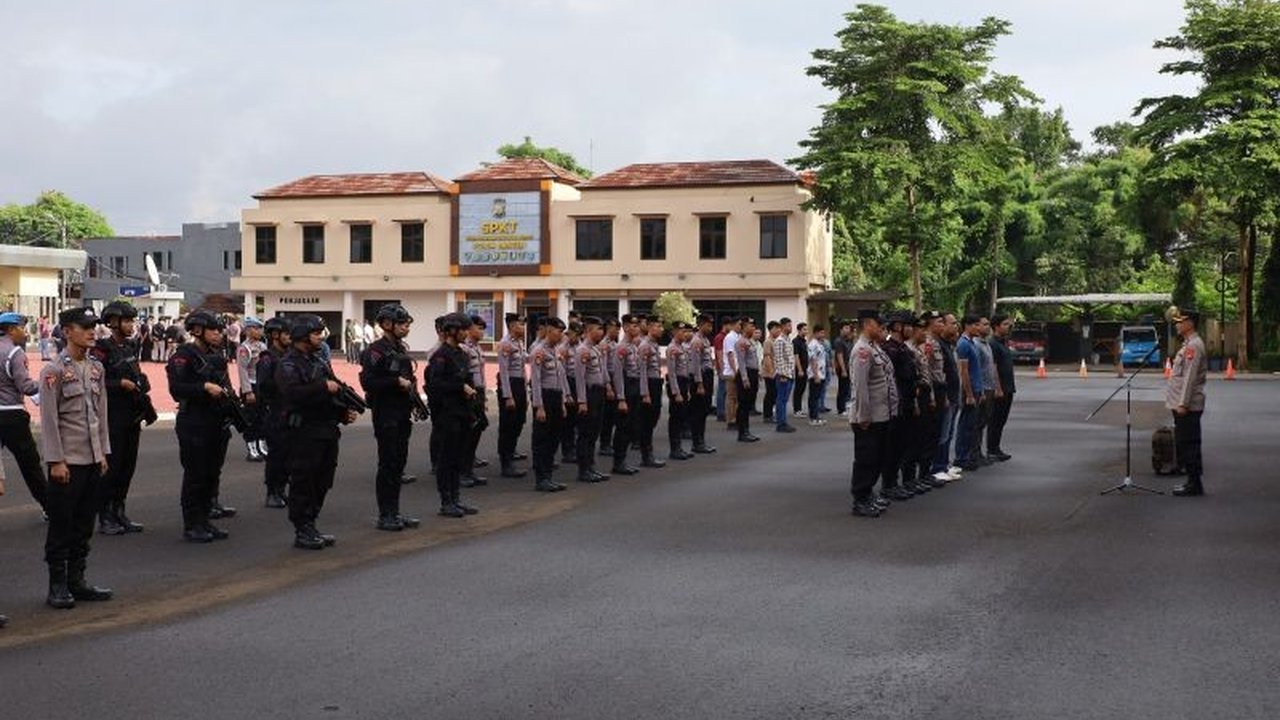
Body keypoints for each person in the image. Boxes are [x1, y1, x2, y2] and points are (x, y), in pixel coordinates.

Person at [40, 306, 114, 609]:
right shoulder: (53, 371)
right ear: (67, 331)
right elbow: (49, 420)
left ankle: (77, 581)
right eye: (84, 326)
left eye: (93, 326)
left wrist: (104, 452)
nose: (91, 331)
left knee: (84, 525)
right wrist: (56, 460)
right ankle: (57, 585)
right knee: (62, 525)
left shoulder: (96, 368)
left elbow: (101, 414)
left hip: (93, 459)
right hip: (67, 462)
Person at [277, 314, 358, 549]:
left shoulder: (317, 361)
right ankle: (302, 528)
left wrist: (343, 413)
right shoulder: (289, 363)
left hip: (326, 430)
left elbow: (330, 396)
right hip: (303, 431)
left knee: (323, 480)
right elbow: (292, 394)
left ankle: (311, 523)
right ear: (302, 336)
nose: (321, 337)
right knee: (304, 480)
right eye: (316, 333)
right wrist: (322, 386)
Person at [167, 311, 238, 543]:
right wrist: (204, 387)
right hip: (194, 422)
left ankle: (205, 519)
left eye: (219, 330)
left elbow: (226, 386)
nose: (218, 334)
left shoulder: (216, 356)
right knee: (195, 474)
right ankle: (192, 524)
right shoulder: (184, 356)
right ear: (198, 331)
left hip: (216, 421)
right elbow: (177, 389)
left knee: (210, 474)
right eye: (213, 330)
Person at [90, 301, 154, 535]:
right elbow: (94, 381)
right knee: (112, 467)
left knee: (128, 466)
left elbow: (135, 372)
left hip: (132, 415)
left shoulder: (129, 347)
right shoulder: (100, 350)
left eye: (132, 321)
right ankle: (105, 515)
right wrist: (119, 384)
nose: (131, 325)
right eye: (126, 321)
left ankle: (119, 511)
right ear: (113, 322)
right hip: (112, 416)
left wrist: (141, 381)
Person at [359, 304, 423, 531]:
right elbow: (368, 382)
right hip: (386, 413)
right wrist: (395, 382)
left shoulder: (399, 347)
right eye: (402, 323)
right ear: (387, 324)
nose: (406, 327)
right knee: (388, 463)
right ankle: (385, 515)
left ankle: (394, 511)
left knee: (398, 464)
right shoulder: (376, 351)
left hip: (402, 412)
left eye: (407, 324)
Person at [427, 312, 481, 518]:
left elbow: (468, 379)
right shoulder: (441, 355)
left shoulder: (461, 353)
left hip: (462, 412)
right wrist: (461, 387)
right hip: (447, 413)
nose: (467, 333)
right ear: (452, 331)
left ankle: (456, 497)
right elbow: (435, 385)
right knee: (446, 458)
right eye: (464, 329)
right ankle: (446, 501)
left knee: (458, 457)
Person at [848, 310, 897, 518]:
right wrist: (864, 415)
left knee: (877, 457)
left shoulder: (874, 347)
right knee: (866, 459)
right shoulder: (862, 350)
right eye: (880, 324)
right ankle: (860, 499)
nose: (882, 329)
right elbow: (860, 387)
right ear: (868, 324)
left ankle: (868, 494)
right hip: (869, 416)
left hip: (882, 413)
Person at [0, 312, 48, 516]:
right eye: (22, 328)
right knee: (30, 464)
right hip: (11, 414)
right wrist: (45, 384)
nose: (25, 333)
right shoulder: (14, 353)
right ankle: (50, 506)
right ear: (11, 329)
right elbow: (26, 386)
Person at [1166, 307, 1208, 497]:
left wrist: (1183, 403)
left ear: (1190, 323)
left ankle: (1194, 483)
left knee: (1189, 442)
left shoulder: (1193, 346)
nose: (1177, 324)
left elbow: (1190, 377)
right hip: (1182, 404)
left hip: (1188, 406)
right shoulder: (1188, 344)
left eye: (1180, 321)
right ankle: (1192, 481)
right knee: (1186, 442)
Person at [878, 312, 919, 501]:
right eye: (908, 325)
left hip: (908, 402)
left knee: (903, 445)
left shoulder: (903, 348)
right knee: (892, 447)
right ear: (897, 327)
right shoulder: (889, 349)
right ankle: (888, 485)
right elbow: (890, 380)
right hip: (896, 404)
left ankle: (895, 483)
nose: (912, 329)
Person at [530, 317, 570, 492]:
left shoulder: (555, 351)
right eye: (558, 331)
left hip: (555, 397)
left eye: (562, 332)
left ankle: (548, 476)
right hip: (544, 398)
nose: (560, 335)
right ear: (548, 330)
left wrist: (562, 402)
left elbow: (561, 378)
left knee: (554, 438)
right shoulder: (539, 351)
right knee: (542, 439)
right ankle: (541, 478)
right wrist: (539, 406)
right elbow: (536, 381)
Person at [256, 316, 291, 508]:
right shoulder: (268, 358)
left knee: (288, 455)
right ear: (275, 335)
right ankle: (272, 491)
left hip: (289, 411)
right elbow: (263, 387)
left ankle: (282, 488)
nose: (290, 337)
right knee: (276, 455)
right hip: (275, 412)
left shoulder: (288, 356)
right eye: (286, 333)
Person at [573, 316, 610, 482]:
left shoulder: (596, 349)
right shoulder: (582, 351)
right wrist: (581, 401)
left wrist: (608, 386)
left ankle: (591, 466)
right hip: (589, 394)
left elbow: (602, 372)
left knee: (595, 431)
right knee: (585, 433)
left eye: (602, 329)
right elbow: (579, 378)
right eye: (598, 329)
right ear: (588, 330)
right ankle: (583, 470)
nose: (602, 332)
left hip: (599, 392)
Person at [610, 314, 647, 475]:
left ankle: (623, 460)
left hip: (634, 386)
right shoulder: (621, 348)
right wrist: (621, 398)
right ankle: (618, 462)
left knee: (631, 425)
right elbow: (618, 375)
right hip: (626, 387)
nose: (636, 328)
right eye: (632, 326)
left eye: (637, 326)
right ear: (625, 328)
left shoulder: (634, 347)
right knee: (623, 427)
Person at [496, 313, 529, 479]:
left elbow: (522, 366)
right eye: (520, 325)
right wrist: (508, 396)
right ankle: (505, 462)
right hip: (510, 385)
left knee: (518, 421)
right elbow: (504, 372)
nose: (523, 328)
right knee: (508, 425)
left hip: (520, 384)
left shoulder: (519, 343)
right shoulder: (505, 344)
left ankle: (511, 452)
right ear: (511, 326)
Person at [953, 315, 986, 473]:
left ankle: (966, 456)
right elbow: (964, 371)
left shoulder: (972, 343)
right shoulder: (963, 344)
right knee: (965, 425)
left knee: (972, 425)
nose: (980, 328)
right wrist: (969, 394)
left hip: (977, 388)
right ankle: (960, 458)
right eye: (977, 325)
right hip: (970, 389)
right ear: (968, 326)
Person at [460, 315, 490, 487]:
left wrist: (483, 397)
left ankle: (469, 468)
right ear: (470, 329)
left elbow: (482, 374)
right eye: (479, 328)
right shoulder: (464, 348)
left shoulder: (478, 348)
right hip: (469, 393)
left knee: (477, 430)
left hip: (478, 392)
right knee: (467, 434)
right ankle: (463, 471)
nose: (482, 332)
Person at [237, 317, 268, 462]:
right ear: (248, 330)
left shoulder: (262, 346)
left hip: (262, 385)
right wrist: (247, 391)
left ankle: (262, 446)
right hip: (251, 385)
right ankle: (252, 448)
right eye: (256, 328)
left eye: (260, 328)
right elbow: (242, 370)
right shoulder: (244, 348)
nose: (259, 331)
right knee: (251, 419)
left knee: (263, 417)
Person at [637, 316, 667, 467]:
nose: (661, 329)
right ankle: (646, 455)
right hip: (648, 384)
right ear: (649, 328)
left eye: (661, 326)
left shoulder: (654, 345)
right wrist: (645, 393)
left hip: (655, 383)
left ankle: (648, 453)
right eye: (658, 326)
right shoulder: (645, 346)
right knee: (647, 421)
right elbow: (642, 371)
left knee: (654, 417)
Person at [986, 314, 1015, 462]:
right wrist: (997, 388)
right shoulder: (993, 344)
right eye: (1005, 324)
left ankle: (996, 447)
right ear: (996, 326)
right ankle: (991, 449)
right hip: (1000, 388)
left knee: (1001, 420)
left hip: (1008, 387)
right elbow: (994, 367)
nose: (1008, 327)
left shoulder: (1004, 342)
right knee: (995, 420)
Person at [665, 321, 695, 460]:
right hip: (676, 384)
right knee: (675, 418)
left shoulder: (681, 347)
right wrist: (676, 392)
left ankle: (679, 448)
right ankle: (674, 449)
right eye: (683, 332)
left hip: (683, 383)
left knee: (681, 416)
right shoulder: (672, 348)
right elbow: (671, 373)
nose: (686, 334)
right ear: (675, 332)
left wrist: (686, 390)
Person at [688, 314, 717, 453]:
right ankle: (697, 442)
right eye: (708, 325)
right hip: (700, 378)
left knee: (704, 410)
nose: (710, 328)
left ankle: (701, 440)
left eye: (711, 325)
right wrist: (699, 384)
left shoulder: (705, 340)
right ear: (700, 325)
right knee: (698, 411)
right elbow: (695, 365)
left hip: (707, 376)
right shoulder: (696, 341)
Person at [734, 317, 761, 442]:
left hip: (753, 373)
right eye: (751, 326)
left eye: (754, 326)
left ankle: (746, 430)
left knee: (748, 404)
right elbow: (741, 362)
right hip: (746, 374)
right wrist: (745, 378)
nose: (753, 328)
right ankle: (742, 432)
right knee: (743, 405)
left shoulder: (750, 341)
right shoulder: (741, 342)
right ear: (744, 327)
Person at [597, 318, 621, 458]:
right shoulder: (604, 345)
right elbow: (603, 367)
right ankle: (604, 444)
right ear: (608, 328)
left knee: (612, 414)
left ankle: (607, 443)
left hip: (614, 378)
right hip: (607, 379)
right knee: (607, 414)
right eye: (614, 329)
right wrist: (608, 386)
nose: (617, 331)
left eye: (618, 329)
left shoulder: (613, 344)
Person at [558, 322, 580, 465]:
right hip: (568, 383)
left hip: (577, 383)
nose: (576, 337)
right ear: (568, 333)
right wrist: (566, 393)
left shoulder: (579, 346)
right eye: (574, 334)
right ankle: (567, 451)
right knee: (568, 422)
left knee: (576, 420)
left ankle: (573, 449)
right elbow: (562, 374)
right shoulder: (563, 349)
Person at [771, 317, 798, 433]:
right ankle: (781, 424)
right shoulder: (779, 341)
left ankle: (784, 422)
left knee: (784, 400)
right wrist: (782, 374)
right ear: (782, 327)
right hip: (783, 375)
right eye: (788, 326)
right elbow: (779, 359)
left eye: (790, 325)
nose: (790, 328)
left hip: (790, 374)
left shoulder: (788, 340)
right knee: (781, 400)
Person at [807, 325, 829, 426]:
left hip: (822, 373)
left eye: (823, 333)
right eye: (821, 333)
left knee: (818, 396)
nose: (823, 335)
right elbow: (813, 360)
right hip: (815, 374)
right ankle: (813, 418)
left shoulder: (820, 344)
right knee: (814, 397)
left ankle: (816, 416)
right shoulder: (813, 344)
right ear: (815, 333)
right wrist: (816, 375)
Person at [722, 317, 741, 430]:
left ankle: (736, 418)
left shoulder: (737, 337)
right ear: (734, 325)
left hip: (738, 370)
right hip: (731, 372)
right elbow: (730, 355)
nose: (741, 327)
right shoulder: (730, 337)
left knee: (737, 398)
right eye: (739, 325)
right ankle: (731, 420)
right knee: (731, 397)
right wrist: (735, 371)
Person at [834, 321, 854, 415]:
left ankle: (844, 406)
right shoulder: (839, 341)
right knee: (842, 388)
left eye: (848, 328)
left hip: (849, 367)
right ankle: (841, 409)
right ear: (841, 330)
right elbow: (839, 356)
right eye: (845, 328)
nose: (847, 330)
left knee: (846, 388)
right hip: (843, 368)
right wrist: (843, 370)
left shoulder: (849, 340)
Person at [792, 322, 810, 418]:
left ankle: (799, 409)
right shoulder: (796, 341)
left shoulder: (804, 341)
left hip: (805, 368)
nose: (806, 331)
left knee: (802, 389)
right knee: (798, 390)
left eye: (806, 329)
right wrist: (799, 369)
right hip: (800, 369)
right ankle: (797, 410)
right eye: (804, 329)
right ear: (799, 330)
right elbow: (796, 356)